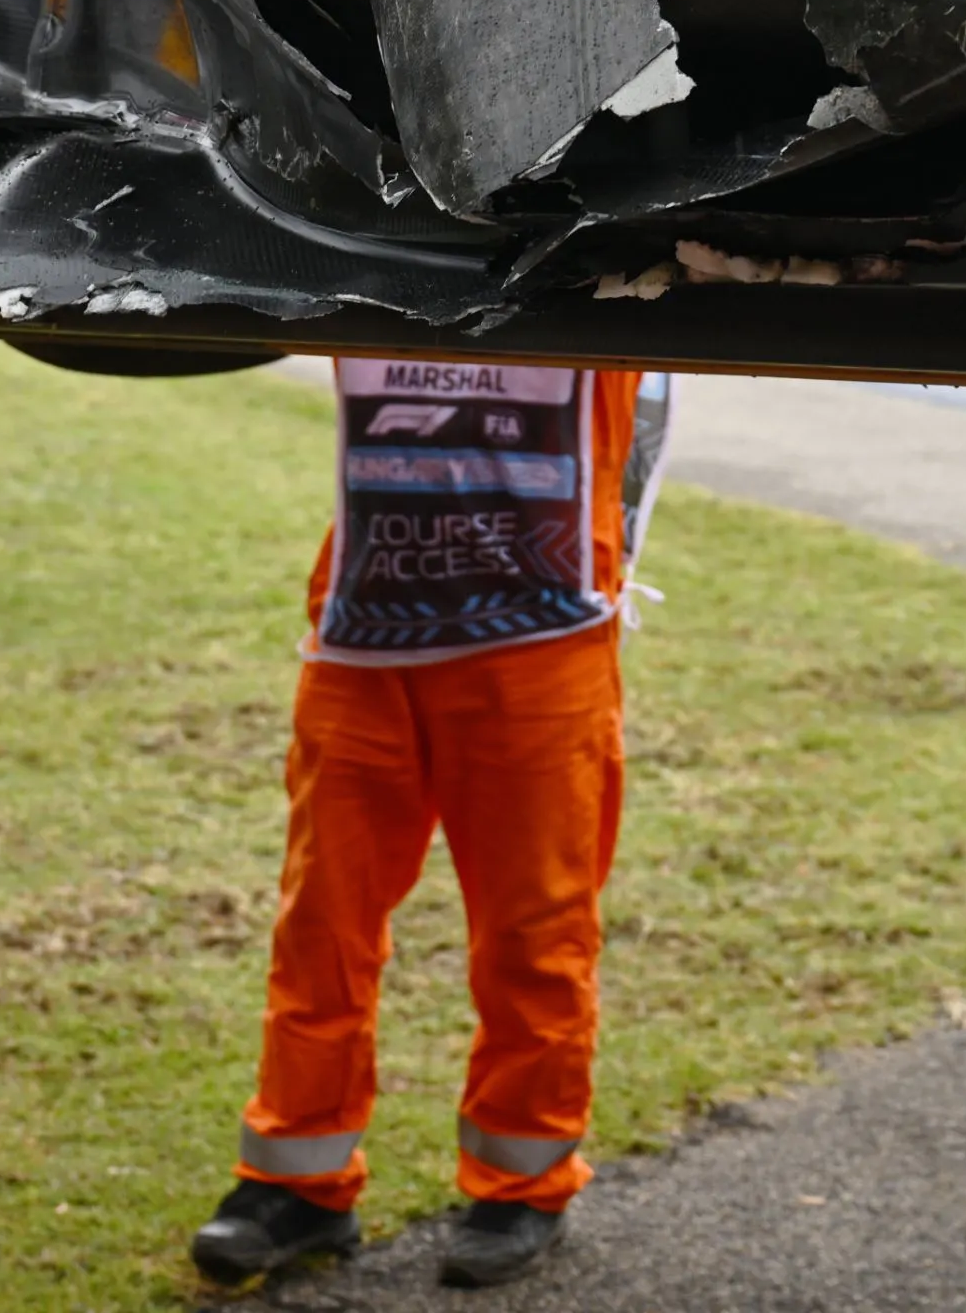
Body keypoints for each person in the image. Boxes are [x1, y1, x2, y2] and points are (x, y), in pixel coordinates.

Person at [192, 361, 669, 1293]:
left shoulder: (600, 245)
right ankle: (298, 1185)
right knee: (321, 928)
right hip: (363, 645)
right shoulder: (376, 231)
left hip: (540, 655)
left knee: (535, 934)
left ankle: (523, 1185)